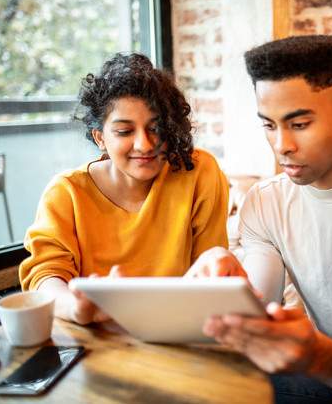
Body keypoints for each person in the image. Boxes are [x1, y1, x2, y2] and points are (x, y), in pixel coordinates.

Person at [185, 35, 332, 402]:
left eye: (298, 124)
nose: (282, 145)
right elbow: (261, 313)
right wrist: (223, 284)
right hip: (319, 369)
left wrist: (315, 354)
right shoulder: (265, 203)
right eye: (268, 125)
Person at [20, 53, 230, 325]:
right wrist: (78, 308)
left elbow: (210, 267)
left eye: (156, 128)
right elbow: (45, 274)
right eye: (124, 131)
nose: (144, 144)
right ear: (100, 138)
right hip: (96, 334)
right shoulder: (66, 193)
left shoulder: (198, 172)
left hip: (179, 326)